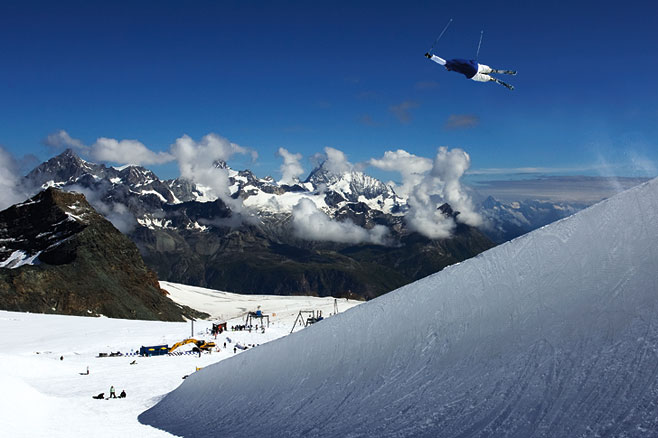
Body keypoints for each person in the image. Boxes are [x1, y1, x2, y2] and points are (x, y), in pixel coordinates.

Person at [424, 52, 515, 90]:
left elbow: (441, 61)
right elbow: (472, 61)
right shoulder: (456, 60)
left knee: (484, 78)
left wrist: (431, 57)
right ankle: (493, 70)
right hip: (475, 65)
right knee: (486, 68)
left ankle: (493, 79)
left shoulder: (450, 64)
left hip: (471, 73)